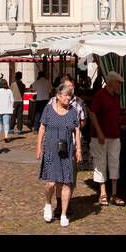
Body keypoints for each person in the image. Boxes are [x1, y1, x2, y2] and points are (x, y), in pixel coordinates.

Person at [37, 81, 82, 226]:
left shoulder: (73, 111)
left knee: (67, 183)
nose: (68, 99)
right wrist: (38, 147)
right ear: (58, 96)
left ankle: (63, 214)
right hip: (51, 149)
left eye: (69, 96)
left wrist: (79, 149)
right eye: (65, 96)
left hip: (67, 151)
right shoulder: (49, 109)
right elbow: (42, 127)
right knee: (51, 183)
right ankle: (48, 203)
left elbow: (76, 130)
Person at [89, 71, 125, 206]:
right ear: (111, 82)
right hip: (100, 136)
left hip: (114, 135)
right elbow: (92, 114)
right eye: (118, 82)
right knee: (100, 162)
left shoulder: (117, 97)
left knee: (115, 162)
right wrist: (99, 132)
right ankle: (103, 192)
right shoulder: (99, 95)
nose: (120, 85)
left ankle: (114, 193)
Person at [0, 78, 15, 142]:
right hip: (7, 110)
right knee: (6, 124)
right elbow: (12, 100)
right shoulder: (9, 91)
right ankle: (6, 136)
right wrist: (11, 106)